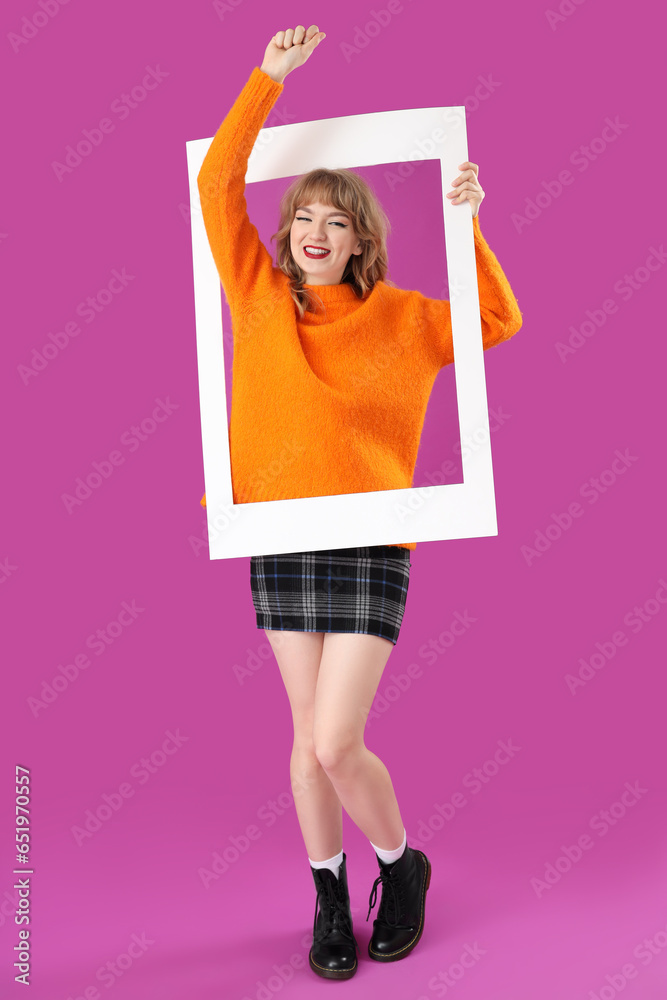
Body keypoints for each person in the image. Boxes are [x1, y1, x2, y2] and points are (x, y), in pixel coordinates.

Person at [197, 24, 523, 980]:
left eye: (338, 221)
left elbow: (496, 318)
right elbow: (217, 183)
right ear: (288, 233)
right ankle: (328, 901)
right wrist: (269, 79)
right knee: (303, 746)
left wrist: (469, 224)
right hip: (279, 538)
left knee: (338, 742)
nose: (317, 233)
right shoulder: (258, 299)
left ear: (360, 240)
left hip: (371, 545)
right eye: (305, 216)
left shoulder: (404, 321)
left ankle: (401, 866)